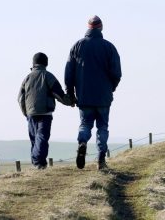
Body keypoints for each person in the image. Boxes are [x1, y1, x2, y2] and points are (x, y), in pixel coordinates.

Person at [65, 15, 122, 170]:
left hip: (84, 96)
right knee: (102, 127)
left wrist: (70, 94)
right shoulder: (109, 47)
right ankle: (101, 159)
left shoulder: (77, 46)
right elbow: (117, 73)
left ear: (88, 28)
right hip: (103, 96)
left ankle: (82, 142)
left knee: (85, 124)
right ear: (101, 27)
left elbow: (69, 73)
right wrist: (111, 87)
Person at [18, 52, 72, 169]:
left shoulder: (27, 78)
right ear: (46, 63)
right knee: (42, 138)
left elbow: (20, 98)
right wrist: (71, 102)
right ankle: (39, 163)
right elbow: (59, 95)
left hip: (30, 114)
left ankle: (37, 163)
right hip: (45, 113)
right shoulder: (48, 76)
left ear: (33, 63)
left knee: (34, 139)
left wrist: (26, 112)